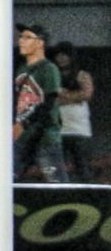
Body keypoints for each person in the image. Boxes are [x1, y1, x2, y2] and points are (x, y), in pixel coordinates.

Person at [13, 24, 65, 183]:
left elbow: (49, 103)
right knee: (8, 180)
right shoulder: (22, 69)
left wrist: (24, 123)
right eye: (21, 37)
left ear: (40, 42)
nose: (21, 41)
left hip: (44, 137)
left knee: (57, 182)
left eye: (27, 37)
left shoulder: (48, 68)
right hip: (23, 138)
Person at [51, 41, 93, 182]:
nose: (61, 58)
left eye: (65, 55)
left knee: (82, 166)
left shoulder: (82, 75)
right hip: (58, 128)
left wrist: (64, 96)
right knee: (56, 168)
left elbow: (86, 94)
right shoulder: (53, 75)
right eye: (58, 55)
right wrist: (74, 97)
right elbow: (50, 98)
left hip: (79, 129)